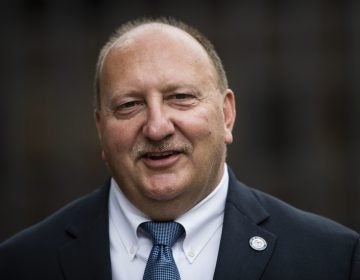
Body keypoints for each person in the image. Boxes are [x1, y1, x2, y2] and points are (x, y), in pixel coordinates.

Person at [0, 17, 359, 280]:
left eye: (181, 98)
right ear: (100, 130)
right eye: (129, 105)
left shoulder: (335, 260)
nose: (157, 127)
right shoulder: (20, 264)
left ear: (227, 115)